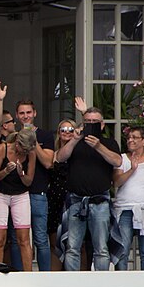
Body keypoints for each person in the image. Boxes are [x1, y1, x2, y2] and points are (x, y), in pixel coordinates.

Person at [55, 104, 122, 271]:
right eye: (87, 122)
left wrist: (98, 146)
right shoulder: (75, 142)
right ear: (82, 124)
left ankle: (101, 284)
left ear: (102, 125)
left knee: (101, 248)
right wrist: (74, 140)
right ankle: (73, 285)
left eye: (95, 122)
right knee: (72, 247)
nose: (91, 124)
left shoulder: (109, 142)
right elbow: (59, 158)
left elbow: (117, 161)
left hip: (100, 200)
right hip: (76, 200)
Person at [111, 126, 144, 271]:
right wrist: (132, 169)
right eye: (128, 138)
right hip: (125, 208)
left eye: (134, 137)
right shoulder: (122, 158)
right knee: (123, 251)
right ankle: (122, 283)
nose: (130, 140)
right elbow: (116, 182)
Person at [0, 129, 36, 270]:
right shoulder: (2, 149)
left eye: (27, 151)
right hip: (0, 194)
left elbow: (29, 182)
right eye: (23, 150)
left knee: (24, 239)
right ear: (17, 143)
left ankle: (28, 275)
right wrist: (6, 171)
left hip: (20, 194)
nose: (24, 153)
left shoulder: (31, 153)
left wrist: (21, 174)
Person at [48, 119, 78, 270]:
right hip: (55, 200)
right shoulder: (53, 154)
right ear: (58, 133)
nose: (67, 132)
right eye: (63, 129)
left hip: (74, 200)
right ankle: (55, 281)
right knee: (55, 243)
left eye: (71, 130)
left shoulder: (79, 154)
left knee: (77, 243)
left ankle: (79, 282)